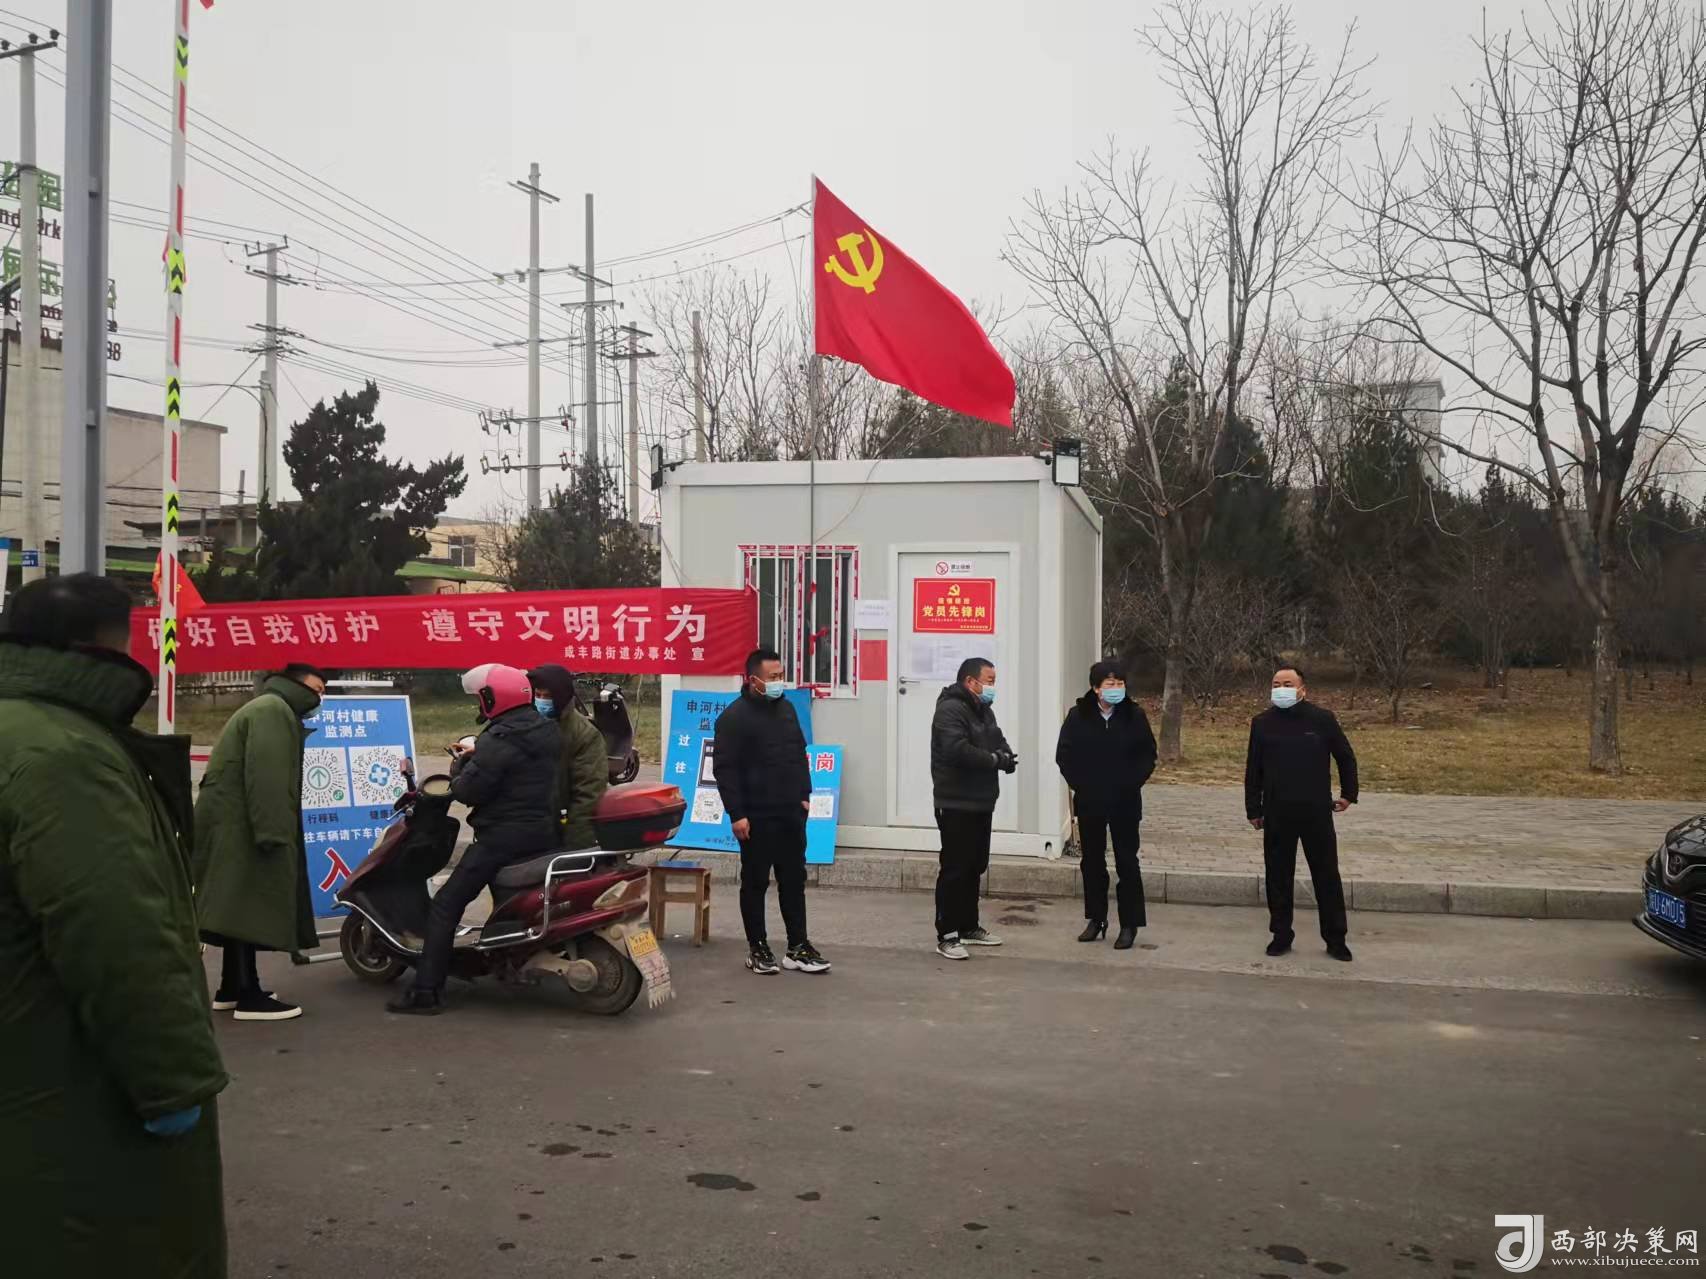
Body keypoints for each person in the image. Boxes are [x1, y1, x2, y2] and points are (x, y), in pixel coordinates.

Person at [0, 574, 228, 1276]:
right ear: (99, 645)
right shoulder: (65, 755)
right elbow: (114, 931)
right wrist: (173, 1080)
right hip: (65, 1074)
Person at [389, 663, 561, 1014]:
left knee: (445, 906)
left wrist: (460, 764)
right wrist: (479, 753)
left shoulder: (499, 740)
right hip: (542, 831)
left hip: (502, 837)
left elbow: (468, 791)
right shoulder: (546, 730)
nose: (479, 703)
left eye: (482, 697)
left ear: (493, 699)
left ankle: (426, 992)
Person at [193, 661, 328, 1021]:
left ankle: (231, 987)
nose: (320, 698)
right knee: (248, 908)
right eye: (317, 690)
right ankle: (249, 997)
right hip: (246, 825)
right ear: (296, 685)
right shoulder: (273, 711)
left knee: (236, 908)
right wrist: (273, 833)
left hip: (232, 822)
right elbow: (267, 776)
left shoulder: (266, 707)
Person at [712, 648, 829, 975]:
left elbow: (799, 753)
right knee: (755, 882)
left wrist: (804, 796)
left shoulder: (787, 709)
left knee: (793, 880)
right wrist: (736, 813)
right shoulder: (734, 718)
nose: (780, 681)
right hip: (755, 816)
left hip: (790, 811)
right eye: (773, 677)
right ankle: (758, 947)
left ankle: (798, 947)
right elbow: (725, 770)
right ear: (754, 680)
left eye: (781, 675)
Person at [1244, 664, 1358, 962]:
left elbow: (1345, 757)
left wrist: (1349, 794)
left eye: (1288, 684)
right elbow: (1253, 769)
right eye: (1276, 684)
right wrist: (1253, 808)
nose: (1281, 689)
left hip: (1316, 811)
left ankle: (1336, 938)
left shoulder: (1322, 720)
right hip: (1277, 812)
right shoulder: (1262, 723)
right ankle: (1281, 935)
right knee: (1278, 876)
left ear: (1302, 690)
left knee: (1326, 875)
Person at [1055, 659, 1158, 949]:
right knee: (1092, 861)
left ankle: (1130, 924)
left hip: (1125, 800)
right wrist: (1082, 784)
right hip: (1091, 800)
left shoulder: (1134, 715)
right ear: (1096, 688)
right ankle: (1096, 918)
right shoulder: (1078, 716)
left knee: (1127, 861)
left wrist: (1131, 782)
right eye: (1110, 683)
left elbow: (1148, 755)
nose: (1116, 688)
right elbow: (1065, 755)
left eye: (1120, 683)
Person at [930, 656, 1016, 961]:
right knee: (955, 868)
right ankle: (947, 934)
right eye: (989, 681)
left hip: (981, 800)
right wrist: (994, 760)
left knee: (974, 865)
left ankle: (969, 926)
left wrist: (1006, 757)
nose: (993, 687)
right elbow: (957, 750)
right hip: (955, 800)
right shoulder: (950, 710)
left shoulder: (984, 710)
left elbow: (997, 740)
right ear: (970, 681)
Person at [527, 663, 610, 849]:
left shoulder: (584, 734)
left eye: (548, 696)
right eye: (538, 695)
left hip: (558, 827)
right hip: (524, 827)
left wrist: (574, 848)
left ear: (562, 697)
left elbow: (588, 795)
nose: (541, 701)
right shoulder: (524, 723)